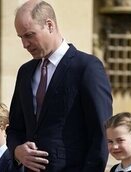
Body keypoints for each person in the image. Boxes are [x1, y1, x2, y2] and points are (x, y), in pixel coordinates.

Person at [6, 1, 113, 172]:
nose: (24, 44)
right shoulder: (25, 72)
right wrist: (17, 151)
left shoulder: (86, 68)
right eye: (21, 37)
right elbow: (14, 129)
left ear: (49, 25)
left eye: (29, 35)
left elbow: (101, 135)